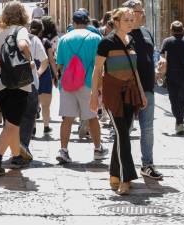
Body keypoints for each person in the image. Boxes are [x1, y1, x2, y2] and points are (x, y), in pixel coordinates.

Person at [90, 7, 147, 195]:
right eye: (127, 20)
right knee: (122, 134)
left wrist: (142, 92)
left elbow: (135, 70)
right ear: (116, 22)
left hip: (131, 92)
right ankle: (125, 178)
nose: (131, 23)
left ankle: (114, 174)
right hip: (113, 94)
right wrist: (93, 97)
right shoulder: (106, 42)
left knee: (122, 134)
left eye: (132, 19)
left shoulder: (131, 41)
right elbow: (97, 70)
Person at [0, 1, 32, 174]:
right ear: (22, 15)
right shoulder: (21, 31)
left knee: (12, 122)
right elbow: (23, 45)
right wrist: (30, 61)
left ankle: (17, 156)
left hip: (0, 85)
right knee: (11, 125)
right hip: (17, 84)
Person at [56, 10, 108, 164]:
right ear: (87, 22)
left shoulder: (63, 39)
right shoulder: (96, 38)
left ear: (73, 22)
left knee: (67, 118)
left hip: (68, 84)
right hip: (88, 83)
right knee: (92, 117)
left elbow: (59, 65)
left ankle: (63, 150)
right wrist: (100, 86)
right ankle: (98, 149)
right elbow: (100, 66)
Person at [122, 0, 163, 180]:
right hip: (128, 88)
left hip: (147, 87)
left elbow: (149, 57)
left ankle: (147, 164)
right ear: (130, 13)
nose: (144, 14)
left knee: (147, 128)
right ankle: (124, 165)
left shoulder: (146, 32)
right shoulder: (124, 35)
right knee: (126, 128)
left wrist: (157, 69)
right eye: (140, 11)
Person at [19, 23, 49, 161]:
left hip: (7, 84)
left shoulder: (1, 36)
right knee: (29, 116)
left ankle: (15, 148)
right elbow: (45, 61)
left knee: (12, 119)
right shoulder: (33, 39)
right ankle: (23, 145)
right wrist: (38, 73)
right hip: (30, 82)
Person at [30, 19, 54, 135]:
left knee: (34, 104)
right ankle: (46, 126)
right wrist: (56, 75)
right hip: (44, 73)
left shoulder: (26, 40)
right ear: (41, 30)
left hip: (32, 71)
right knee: (46, 105)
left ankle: (33, 128)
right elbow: (51, 60)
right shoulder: (46, 42)